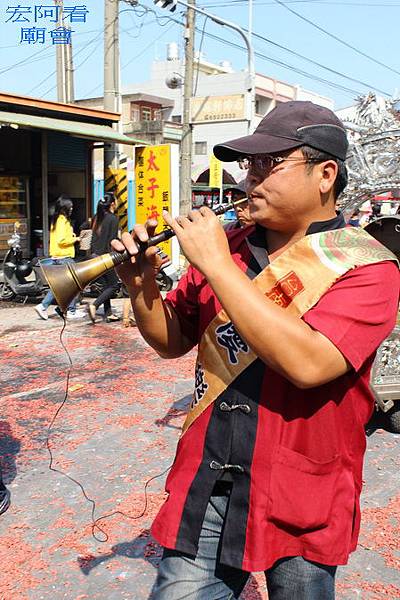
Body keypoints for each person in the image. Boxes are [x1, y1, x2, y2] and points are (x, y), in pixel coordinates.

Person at [112, 101, 399, 599]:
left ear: (325, 174)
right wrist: (141, 286)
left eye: (270, 164)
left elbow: (309, 365)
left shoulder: (367, 267)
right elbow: (171, 341)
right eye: (249, 165)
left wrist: (217, 265)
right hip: (210, 480)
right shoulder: (232, 246)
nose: (250, 179)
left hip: (301, 494)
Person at [35, 195, 85, 320]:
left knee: (61, 285)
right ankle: (71, 311)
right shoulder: (62, 221)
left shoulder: (56, 220)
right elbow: (62, 240)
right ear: (65, 208)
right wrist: (76, 239)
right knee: (74, 283)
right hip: (64, 257)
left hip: (57, 256)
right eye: (70, 206)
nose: (72, 209)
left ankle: (45, 306)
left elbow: (59, 237)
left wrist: (71, 234)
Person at [88, 193, 120, 323]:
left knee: (107, 285)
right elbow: (112, 241)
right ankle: (94, 305)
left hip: (94, 256)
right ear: (112, 204)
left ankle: (108, 313)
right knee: (114, 285)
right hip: (106, 257)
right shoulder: (113, 219)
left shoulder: (97, 217)